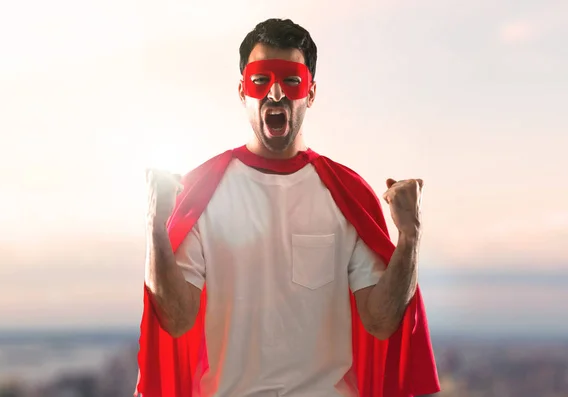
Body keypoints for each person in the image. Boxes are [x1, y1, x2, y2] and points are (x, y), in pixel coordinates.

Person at [136, 18, 440, 397]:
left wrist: (410, 236)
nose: (276, 93)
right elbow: (177, 318)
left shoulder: (346, 194)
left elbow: (380, 321)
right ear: (242, 91)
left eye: (291, 80)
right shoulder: (203, 192)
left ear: (310, 93)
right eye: (261, 80)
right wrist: (155, 225)